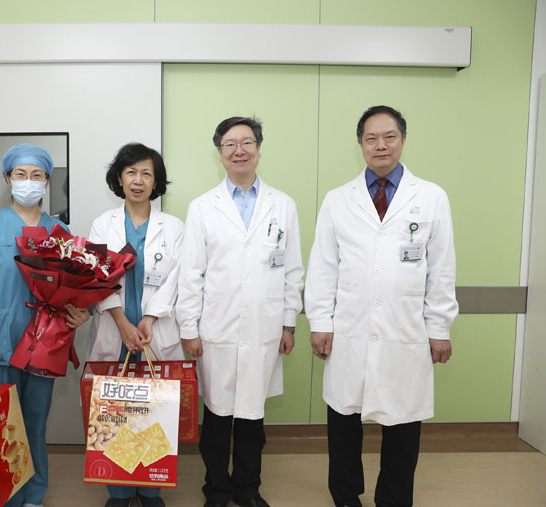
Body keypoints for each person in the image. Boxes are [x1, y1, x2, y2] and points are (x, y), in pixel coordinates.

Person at [304, 105, 458, 507]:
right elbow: (322, 267)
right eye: (371, 138)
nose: (380, 145)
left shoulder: (431, 197)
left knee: (403, 424)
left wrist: (439, 327)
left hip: (406, 329)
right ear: (360, 144)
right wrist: (320, 321)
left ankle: (394, 499)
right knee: (343, 420)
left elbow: (442, 269)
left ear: (403, 140)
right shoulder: (338, 200)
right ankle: (345, 495)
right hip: (349, 327)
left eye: (389, 136)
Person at [177, 117, 304, 507]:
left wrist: (288, 323)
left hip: (265, 328)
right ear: (219, 154)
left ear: (259, 149)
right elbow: (191, 273)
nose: (239, 150)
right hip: (217, 328)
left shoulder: (283, 205)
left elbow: (292, 270)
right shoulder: (203, 207)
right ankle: (217, 489)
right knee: (217, 418)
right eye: (230, 144)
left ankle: (248, 489)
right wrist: (189, 327)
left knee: (252, 418)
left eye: (247, 142)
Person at [0, 143, 90, 507]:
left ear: (46, 181)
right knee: (1, 421)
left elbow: (71, 288)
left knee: (34, 420)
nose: (28, 182)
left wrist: (82, 312)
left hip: (45, 343)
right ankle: (5, 495)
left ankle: (33, 494)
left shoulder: (58, 230)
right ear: (7, 179)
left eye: (36, 175)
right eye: (20, 174)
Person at [87, 143, 185, 507]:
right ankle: (118, 490)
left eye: (146, 173)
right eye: (131, 172)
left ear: (156, 181)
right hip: (115, 330)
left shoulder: (173, 227)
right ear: (119, 179)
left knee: (154, 412)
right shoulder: (103, 224)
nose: (138, 180)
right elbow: (95, 275)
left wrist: (148, 318)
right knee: (114, 409)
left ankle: (150, 489)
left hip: (154, 332)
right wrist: (122, 322)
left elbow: (176, 279)